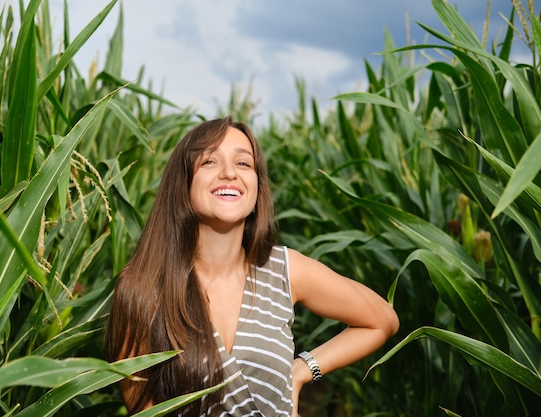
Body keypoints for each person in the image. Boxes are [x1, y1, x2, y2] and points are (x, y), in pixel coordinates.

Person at [104, 116, 399, 416]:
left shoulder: (284, 271)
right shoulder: (143, 287)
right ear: (183, 184)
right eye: (210, 162)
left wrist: (300, 371)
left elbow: (382, 320)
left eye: (244, 164)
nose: (229, 173)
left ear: (257, 188)